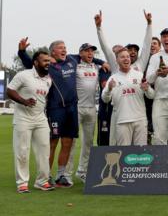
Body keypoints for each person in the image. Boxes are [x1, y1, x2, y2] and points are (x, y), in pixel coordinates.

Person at [17, 38, 107, 188]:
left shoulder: (72, 59)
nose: (64, 50)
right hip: (55, 108)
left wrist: (101, 62)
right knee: (52, 143)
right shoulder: (48, 64)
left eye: (65, 47)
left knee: (67, 142)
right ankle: (46, 176)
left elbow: (87, 56)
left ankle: (61, 175)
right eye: (60, 48)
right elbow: (29, 64)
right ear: (53, 52)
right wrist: (21, 52)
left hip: (72, 108)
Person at [95, 10, 153, 145]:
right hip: (120, 113)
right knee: (119, 147)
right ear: (117, 59)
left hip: (138, 115)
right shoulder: (115, 69)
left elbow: (146, 46)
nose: (128, 56)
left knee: (139, 151)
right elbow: (105, 48)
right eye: (124, 55)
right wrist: (99, 28)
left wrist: (149, 25)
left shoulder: (139, 67)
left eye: (131, 54)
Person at [7, 51, 54, 193]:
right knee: (22, 151)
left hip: (40, 118)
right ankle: (22, 183)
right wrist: (24, 101)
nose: (48, 63)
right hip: (23, 118)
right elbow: (10, 90)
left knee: (44, 150)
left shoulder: (48, 79)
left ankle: (42, 181)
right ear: (35, 63)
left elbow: (43, 99)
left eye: (49, 61)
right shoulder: (24, 75)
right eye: (44, 61)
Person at [101, 48, 155, 145]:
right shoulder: (113, 78)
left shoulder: (139, 75)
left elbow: (151, 96)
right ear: (117, 60)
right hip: (122, 121)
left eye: (127, 57)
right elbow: (105, 99)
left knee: (141, 154)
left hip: (140, 120)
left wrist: (147, 89)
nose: (126, 59)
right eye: (122, 57)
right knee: (124, 154)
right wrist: (109, 89)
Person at [66, 43, 101, 183]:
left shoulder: (96, 66)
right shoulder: (74, 64)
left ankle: (82, 171)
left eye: (92, 51)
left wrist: (102, 62)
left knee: (88, 143)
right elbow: (68, 56)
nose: (90, 53)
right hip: (77, 107)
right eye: (87, 51)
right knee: (72, 142)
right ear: (80, 53)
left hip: (92, 108)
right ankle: (67, 174)